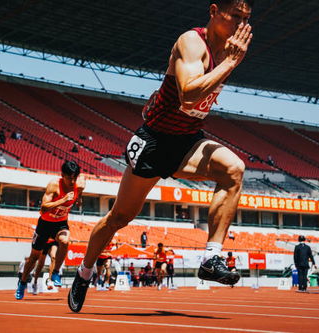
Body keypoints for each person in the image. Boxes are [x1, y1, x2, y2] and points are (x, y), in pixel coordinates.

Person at [69, 0, 253, 312]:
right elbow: (189, 92)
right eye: (234, 16)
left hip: (187, 141)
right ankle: (84, 271)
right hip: (155, 141)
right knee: (120, 216)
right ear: (214, 12)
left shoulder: (228, 52)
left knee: (234, 169)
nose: (240, 24)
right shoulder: (192, 42)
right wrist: (229, 64)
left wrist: (228, 61)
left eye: (246, 18)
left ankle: (211, 257)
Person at [16, 161, 85, 300]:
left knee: (65, 241)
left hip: (60, 224)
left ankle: (56, 272)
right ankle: (22, 283)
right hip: (45, 224)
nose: (72, 181)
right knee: (34, 257)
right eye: (69, 178)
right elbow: (43, 208)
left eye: (74, 178)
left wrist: (78, 200)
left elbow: (79, 194)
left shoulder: (80, 184)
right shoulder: (54, 185)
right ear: (62, 175)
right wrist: (63, 200)